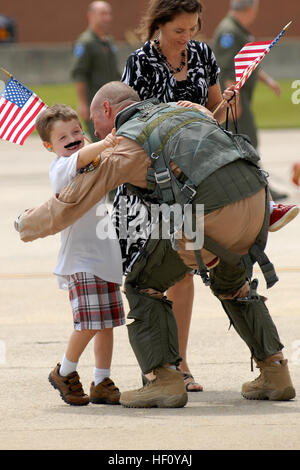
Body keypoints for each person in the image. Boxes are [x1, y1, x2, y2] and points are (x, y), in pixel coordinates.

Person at [17, 82, 296, 408]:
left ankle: (163, 380)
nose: (94, 134)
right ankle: (275, 372)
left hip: (211, 215)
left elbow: (72, 201)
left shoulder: (129, 141)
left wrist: (26, 224)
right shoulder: (180, 109)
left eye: (94, 124)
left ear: (107, 111)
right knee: (232, 281)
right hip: (256, 205)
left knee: (142, 283)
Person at [113, 0, 239, 392]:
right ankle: (159, 366)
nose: (186, 39)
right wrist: (174, 112)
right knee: (156, 270)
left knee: (184, 271)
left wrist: (216, 106)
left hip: (196, 173)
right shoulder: (140, 62)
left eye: (191, 30)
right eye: (178, 31)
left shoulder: (202, 54)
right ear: (158, 26)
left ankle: (180, 363)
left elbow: (214, 112)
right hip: (152, 179)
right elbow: (127, 121)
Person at [35, 104, 125, 406]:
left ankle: (102, 380)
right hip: (81, 259)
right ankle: (64, 370)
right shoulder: (61, 168)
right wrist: (107, 141)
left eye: (76, 132)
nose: (72, 139)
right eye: (63, 137)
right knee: (89, 322)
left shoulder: (93, 159)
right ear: (50, 146)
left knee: (107, 323)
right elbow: (80, 157)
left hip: (106, 254)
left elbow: (100, 159)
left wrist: (109, 146)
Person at [213, 0, 287, 201]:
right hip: (236, 95)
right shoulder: (229, 32)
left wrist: (269, 81)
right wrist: (233, 101)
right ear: (249, 9)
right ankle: (261, 190)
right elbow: (226, 68)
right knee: (247, 140)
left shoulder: (238, 30)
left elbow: (250, 62)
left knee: (246, 139)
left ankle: (256, 187)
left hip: (240, 94)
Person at [71, 1, 120, 142]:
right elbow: (79, 73)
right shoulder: (86, 42)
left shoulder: (108, 41)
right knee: (99, 142)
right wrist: (82, 104)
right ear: (91, 16)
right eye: (103, 14)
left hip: (111, 103)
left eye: (109, 14)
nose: (107, 18)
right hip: (95, 104)